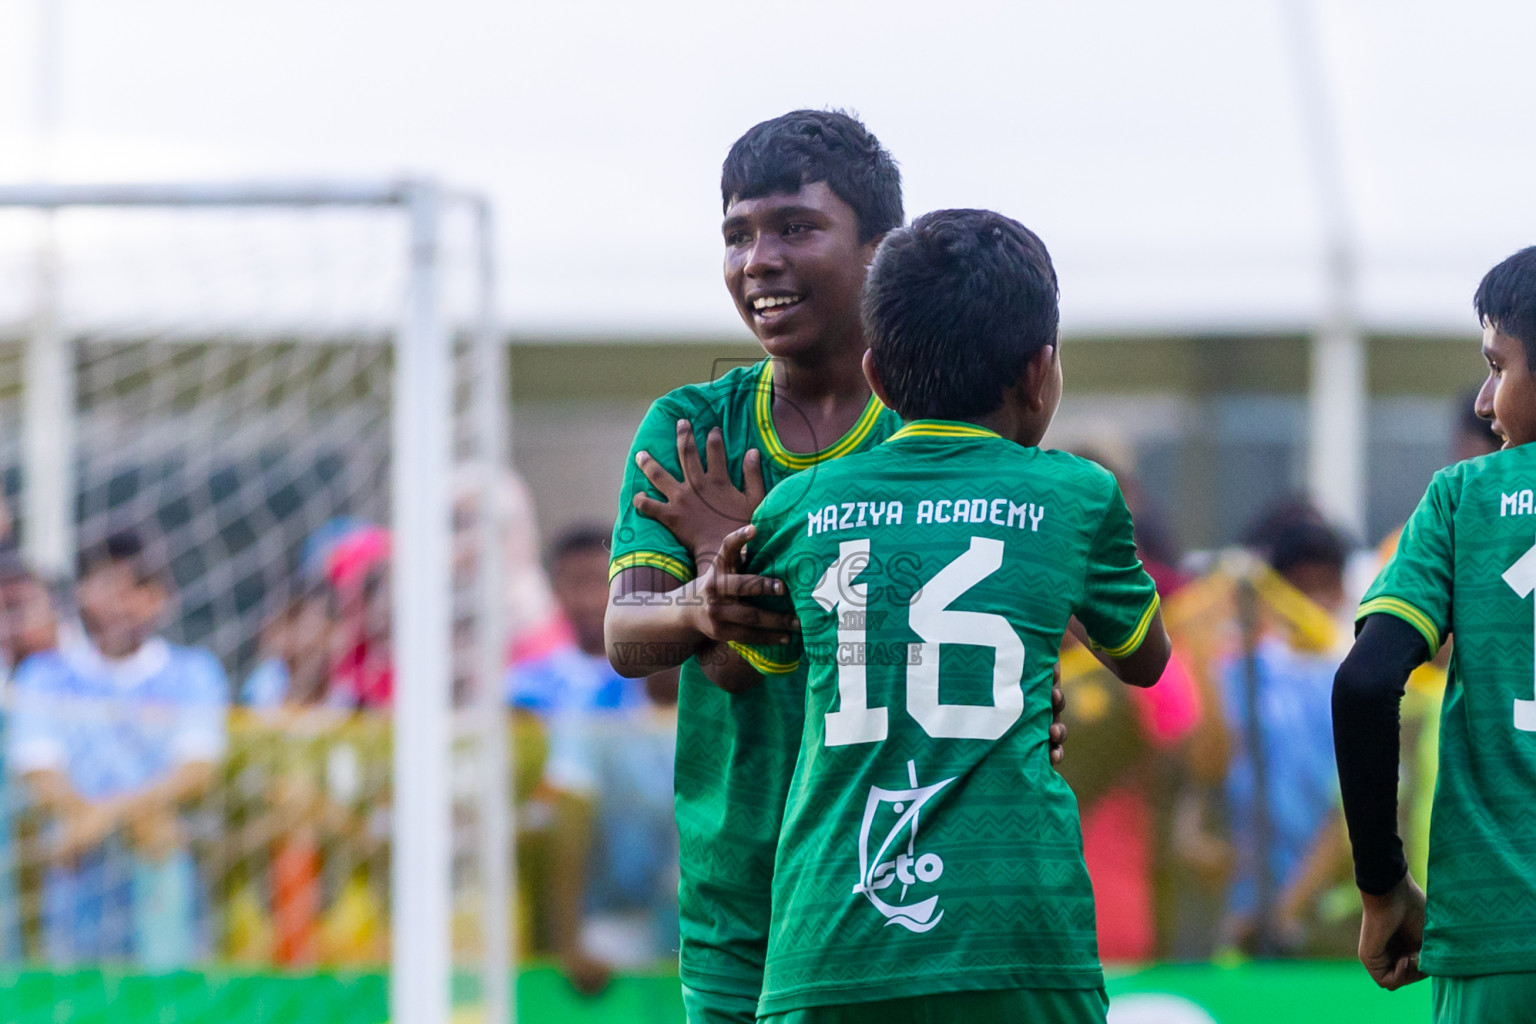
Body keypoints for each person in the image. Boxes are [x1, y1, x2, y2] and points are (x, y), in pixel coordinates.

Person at [704, 209, 1170, 1022]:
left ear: (877, 377)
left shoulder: (797, 507)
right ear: (1041, 372)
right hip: (1019, 940)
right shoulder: (1076, 494)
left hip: (830, 939)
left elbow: (750, 670)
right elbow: (1145, 658)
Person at [602, 110, 907, 1024]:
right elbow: (626, 633)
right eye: (737, 234)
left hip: (892, 875)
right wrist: (705, 602)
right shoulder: (693, 425)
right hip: (744, 885)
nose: (757, 261)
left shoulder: (930, 426)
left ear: (881, 249)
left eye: (795, 228)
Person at [1333, 245, 1536, 1022]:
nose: (1485, 402)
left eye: (1499, 365)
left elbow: (1364, 682)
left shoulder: (1464, 500)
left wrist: (1383, 888)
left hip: (1499, 936)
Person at [8, 529, 227, 966]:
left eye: (137, 589)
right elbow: (37, 769)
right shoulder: (44, 675)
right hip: (75, 863)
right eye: (107, 585)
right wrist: (90, 821)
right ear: (81, 592)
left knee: (158, 837)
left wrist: (101, 818)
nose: (120, 603)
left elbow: (196, 770)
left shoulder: (193, 672)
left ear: (161, 598)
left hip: (158, 856)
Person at [1220, 516, 1351, 954]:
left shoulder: (1353, 680)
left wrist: (1285, 911)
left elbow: (1348, 813)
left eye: (1323, 585)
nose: (1310, 602)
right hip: (1239, 910)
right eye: (1297, 587)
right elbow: (1211, 774)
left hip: (1328, 915)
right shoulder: (1241, 673)